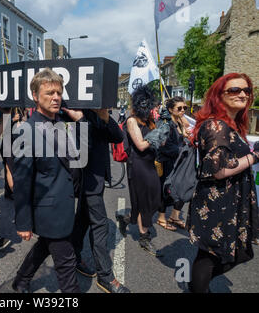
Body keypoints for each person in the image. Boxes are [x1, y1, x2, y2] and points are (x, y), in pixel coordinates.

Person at [11, 68, 85, 293]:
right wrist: (23, 222)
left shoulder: (63, 122)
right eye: (49, 93)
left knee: (44, 246)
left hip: (65, 202)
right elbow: (22, 181)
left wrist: (80, 121)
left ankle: (21, 280)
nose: (56, 97)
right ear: (35, 96)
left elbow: (78, 153)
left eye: (59, 93)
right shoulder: (27, 131)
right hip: (48, 207)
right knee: (66, 262)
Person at [187, 73, 259, 293]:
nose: (242, 94)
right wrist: (254, 157)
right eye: (234, 90)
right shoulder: (215, 126)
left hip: (231, 200)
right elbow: (218, 170)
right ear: (219, 95)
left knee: (234, 252)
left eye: (246, 90)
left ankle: (197, 284)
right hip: (216, 203)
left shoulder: (231, 125)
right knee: (211, 255)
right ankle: (198, 287)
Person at [71, 108, 130, 293]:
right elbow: (81, 147)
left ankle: (72, 256)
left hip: (96, 178)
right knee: (100, 225)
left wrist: (104, 116)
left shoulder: (96, 111)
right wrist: (81, 119)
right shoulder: (72, 111)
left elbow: (118, 137)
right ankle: (105, 277)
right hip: (85, 179)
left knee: (82, 219)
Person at [116, 86, 164, 257]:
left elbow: (159, 143)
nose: (153, 108)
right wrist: (157, 134)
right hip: (137, 164)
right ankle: (144, 237)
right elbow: (141, 145)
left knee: (153, 198)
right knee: (143, 200)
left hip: (150, 163)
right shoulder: (131, 121)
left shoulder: (150, 121)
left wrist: (164, 132)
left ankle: (127, 218)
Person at [156, 97, 189, 231]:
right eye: (179, 108)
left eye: (184, 108)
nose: (183, 111)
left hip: (178, 161)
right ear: (170, 109)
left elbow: (180, 140)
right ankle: (161, 217)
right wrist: (183, 149)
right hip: (167, 161)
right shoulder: (165, 123)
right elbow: (163, 146)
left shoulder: (179, 122)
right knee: (166, 189)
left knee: (182, 188)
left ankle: (175, 216)